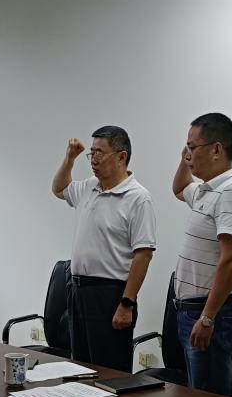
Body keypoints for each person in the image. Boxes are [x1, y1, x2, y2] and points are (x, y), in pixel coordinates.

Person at [52, 126, 155, 372]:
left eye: (100, 153)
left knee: (109, 372)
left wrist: (127, 303)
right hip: (77, 290)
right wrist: (70, 158)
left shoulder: (138, 198)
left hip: (110, 294)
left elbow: (143, 255)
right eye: (92, 153)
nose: (93, 159)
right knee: (80, 368)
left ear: (121, 156)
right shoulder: (89, 187)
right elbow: (58, 188)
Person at [171, 112, 232, 395]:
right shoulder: (205, 190)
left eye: (193, 147)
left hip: (210, 313)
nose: (188, 154)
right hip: (191, 311)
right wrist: (185, 157)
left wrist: (207, 318)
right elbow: (179, 188)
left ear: (216, 149)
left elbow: (231, 261)